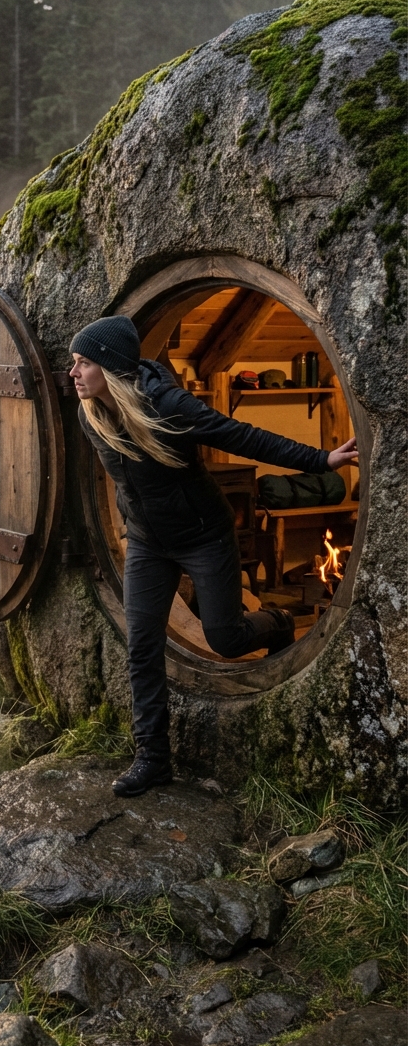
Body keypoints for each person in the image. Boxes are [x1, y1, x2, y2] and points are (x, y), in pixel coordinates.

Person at [69, 315, 359, 798]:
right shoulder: (90, 412)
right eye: (73, 363)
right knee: (142, 646)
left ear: (111, 368)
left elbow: (242, 435)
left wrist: (322, 460)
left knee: (224, 638)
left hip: (204, 535)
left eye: (83, 363)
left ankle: (277, 622)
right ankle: (152, 759)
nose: (73, 372)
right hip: (147, 542)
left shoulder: (169, 406)